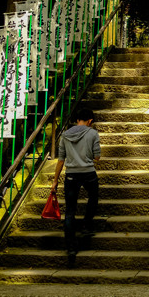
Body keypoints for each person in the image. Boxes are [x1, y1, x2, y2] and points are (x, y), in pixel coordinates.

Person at [51, 106, 101, 266]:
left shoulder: (65, 135)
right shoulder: (92, 133)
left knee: (70, 211)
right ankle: (87, 224)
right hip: (88, 172)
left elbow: (60, 160)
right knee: (93, 196)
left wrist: (55, 180)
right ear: (90, 121)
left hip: (71, 175)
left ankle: (71, 248)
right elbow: (97, 157)